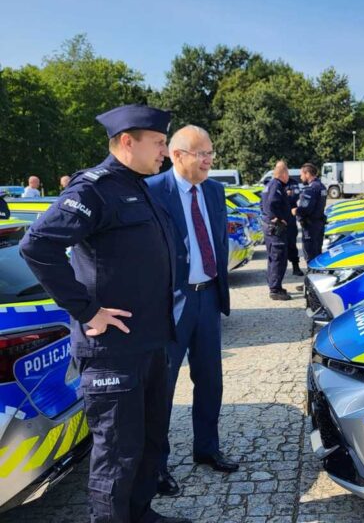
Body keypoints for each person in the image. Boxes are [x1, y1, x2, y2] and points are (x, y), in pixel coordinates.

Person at [19, 104, 190, 523]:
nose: (165, 152)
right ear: (127, 142)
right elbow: (37, 246)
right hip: (113, 350)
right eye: (159, 143)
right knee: (117, 452)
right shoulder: (93, 189)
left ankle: (141, 512)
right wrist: (87, 310)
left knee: (150, 442)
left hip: (150, 343)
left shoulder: (139, 186)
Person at [145, 125, 238, 498]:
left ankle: (207, 448)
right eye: (201, 154)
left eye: (211, 153)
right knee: (162, 389)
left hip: (208, 299)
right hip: (171, 303)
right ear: (177, 155)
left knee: (210, 381)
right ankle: (156, 468)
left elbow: (216, 241)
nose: (208, 160)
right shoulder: (153, 191)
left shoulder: (215, 191)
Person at [261, 161, 292, 300]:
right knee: (278, 259)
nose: (288, 177)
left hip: (271, 228)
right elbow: (271, 204)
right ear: (283, 173)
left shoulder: (270, 185)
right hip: (276, 229)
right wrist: (278, 218)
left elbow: (262, 204)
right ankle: (275, 289)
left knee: (273, 258)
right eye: (288, 174)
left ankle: (275, 285)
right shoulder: (276, 186)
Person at [294, 163, 327, 263]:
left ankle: (312, 275)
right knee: (317, 252)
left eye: (302, 174)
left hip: (310, 226)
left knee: (310, 255)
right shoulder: (322, 186)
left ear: (307, 174)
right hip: (319, 224)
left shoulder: (311, 189)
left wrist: (295, 211)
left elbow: (304, 209)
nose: (300, 177)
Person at [285, 175, 303, 276]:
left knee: (292, 244)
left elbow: (294, 197)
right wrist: (285, 194)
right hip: (279, 219)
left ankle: (296, 267)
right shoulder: (275, 183)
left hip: (290, 218)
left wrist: (284, 196)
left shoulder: (293, 183)